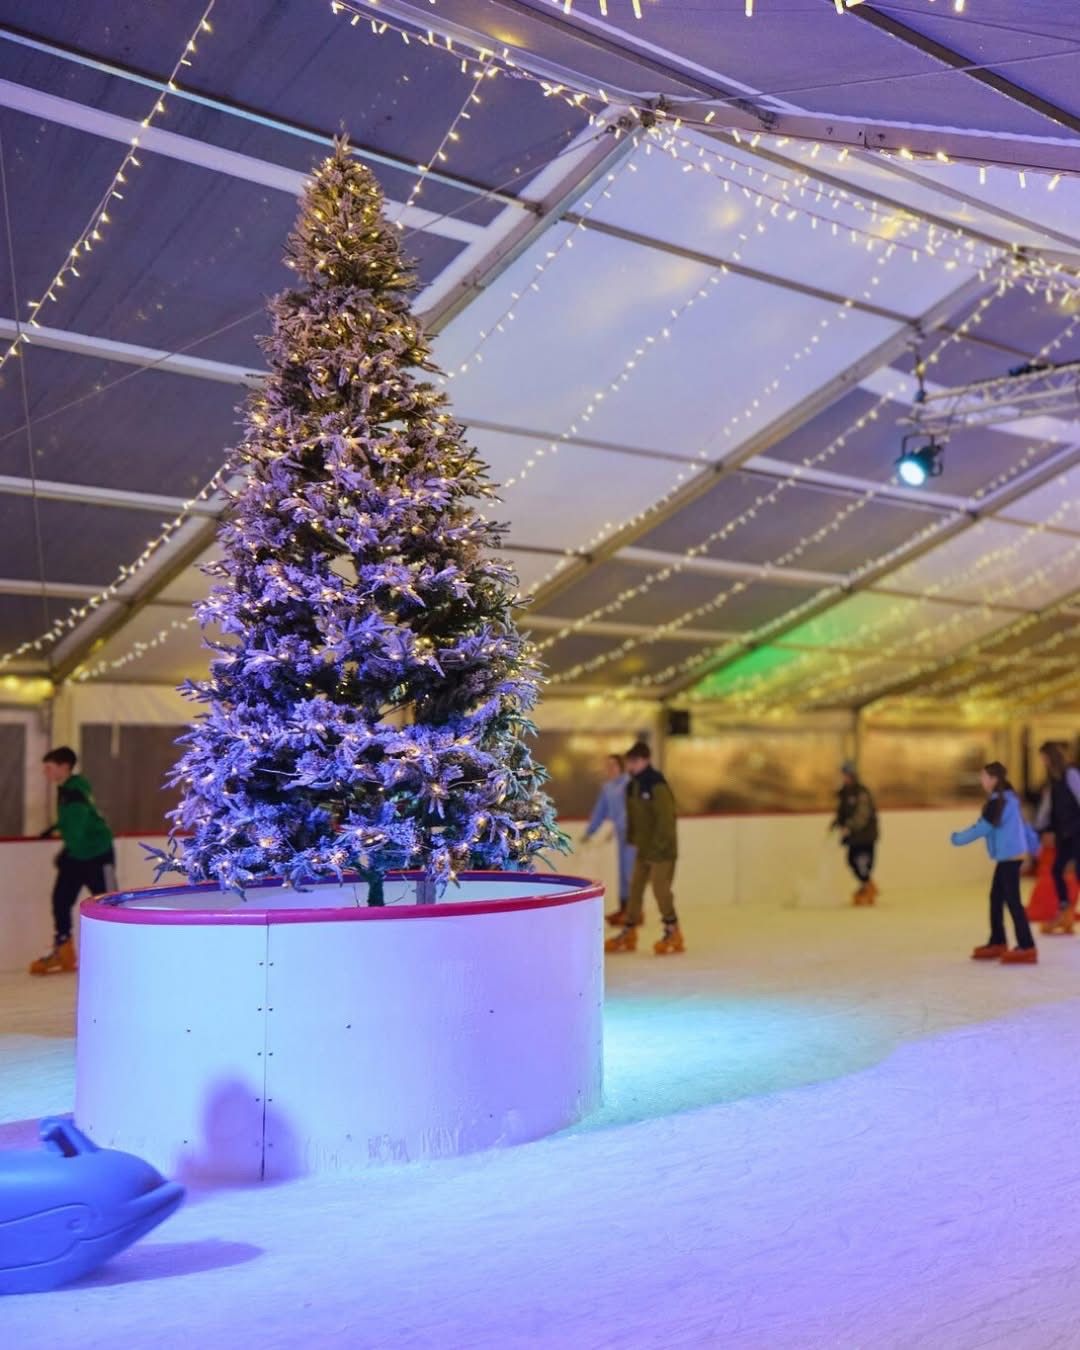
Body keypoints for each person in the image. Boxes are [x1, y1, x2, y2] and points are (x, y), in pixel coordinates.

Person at [30, 747, 116, 976]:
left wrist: (67, 853)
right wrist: (55, 828)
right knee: (61, 900)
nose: (45, 772)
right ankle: (64, 949)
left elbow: (78, 824)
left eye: (49, 767)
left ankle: (118, 952)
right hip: (79, 853)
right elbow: (75, 818)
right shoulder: (70, 787)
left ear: (64, 767)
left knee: (109, 904)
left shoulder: (73, 792)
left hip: (97, 854)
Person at [951, 761, 1037, 965]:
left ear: (994, 779)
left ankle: (1027, 946)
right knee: (996, 898)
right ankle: (998, 941)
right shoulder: (1008, 799)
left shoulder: (999, 802)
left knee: (1012, 902)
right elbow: (1023, 826)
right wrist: (1033, 846)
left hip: (1010, 857)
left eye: (984, 777)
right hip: (1010, 856)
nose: (981, 780)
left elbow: (982, 828)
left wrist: (958, 838)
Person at [605, 741, 683, 956]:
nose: (632, 765)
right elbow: (633, 816)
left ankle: (672, 929)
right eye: (629, 761)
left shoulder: (656, 784)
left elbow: (666, 819)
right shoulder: (633, 786)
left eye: (636, 761)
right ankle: (629, 930)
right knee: (635, 889)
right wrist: (632, 840)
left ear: (646, 760)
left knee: (660, 889)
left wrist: (658, 848)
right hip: (643, 848)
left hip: (662, 850)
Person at [581, 753, 636, 927]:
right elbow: (600, 811)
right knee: (622, 871)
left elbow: (636, 808)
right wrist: (590, 831)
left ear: (621, 767)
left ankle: (634, 910)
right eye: (607, 766)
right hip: (621, 832)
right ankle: (624, 907)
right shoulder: (608, 787)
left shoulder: (629, 784)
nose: (610, 769)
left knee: (630, 871)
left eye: (613, 765)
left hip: (634, 832)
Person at [1033, 741, 1080, 936]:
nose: (1043, 761)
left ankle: (1066, 913)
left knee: (1078, 871)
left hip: (1077, 831)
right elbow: (1047, 808)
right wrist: (1041, 828)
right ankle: (1064, 911)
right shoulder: (1053, 780)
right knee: (1057, 870)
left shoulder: (1071, 774)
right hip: (1064, 833)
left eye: (1044, 757)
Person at [830, 761, 879, 906]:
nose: (844, 778)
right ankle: (867, 886)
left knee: (862, 862)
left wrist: (849, 826)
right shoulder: (845, 793)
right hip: (854, 837)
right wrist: (836, 823)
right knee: (852, 860)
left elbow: (862, 814)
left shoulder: (861, 793)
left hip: (865, 836)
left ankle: (868, 888)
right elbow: (842, 812)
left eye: (846, 775)